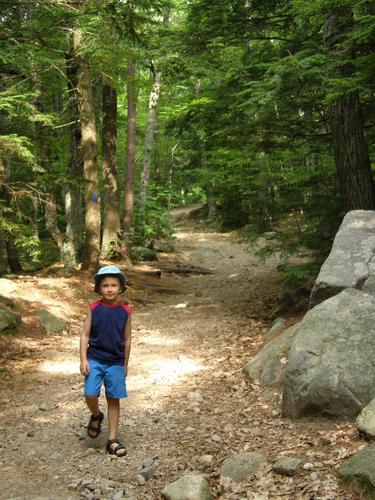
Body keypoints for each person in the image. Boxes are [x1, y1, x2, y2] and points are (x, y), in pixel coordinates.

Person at [80, 265, 132, 457]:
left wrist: (125, 365)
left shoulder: (126, 311)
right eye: (105, 285)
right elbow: (85, 335)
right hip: (95, 358)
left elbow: (127, 339)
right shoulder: (94, 308)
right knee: (90, 392)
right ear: (99, 288)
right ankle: (96, 414)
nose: (110, 289)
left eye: (114, 285)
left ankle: (112, 439)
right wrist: (83, 359)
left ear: (120, 287)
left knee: (113, 398)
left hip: (116, 362)